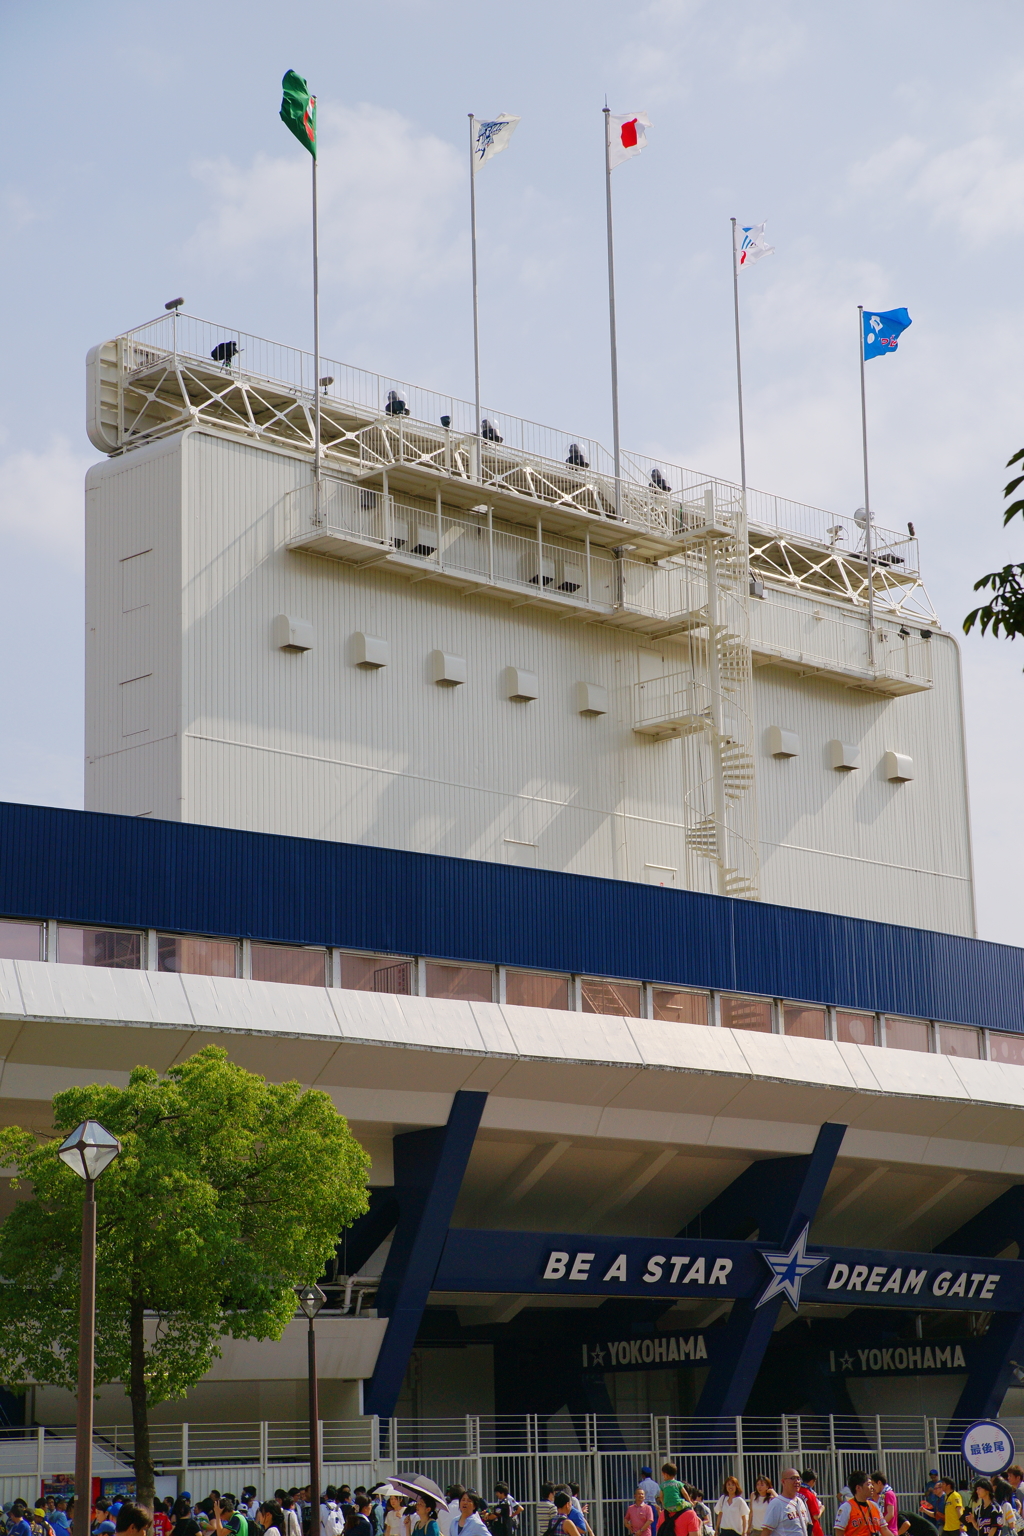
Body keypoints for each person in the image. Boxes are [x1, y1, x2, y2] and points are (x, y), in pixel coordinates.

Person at [761, 1470, 809, 1536]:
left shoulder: (800, 1502)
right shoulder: (776, 1504)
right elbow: (766, 1532)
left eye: (798, 1479)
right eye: (792, 1478)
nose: (797, 1481)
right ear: (783, 1481)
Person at [659, 1466, 691, 1536]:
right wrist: (690, 1502)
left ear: (666, 1474)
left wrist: (664, 1504)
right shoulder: (678, 1483)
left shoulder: (662, 1485)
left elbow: (661, 1496)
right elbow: (685, 1493)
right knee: (689, 1506)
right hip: (679, 1505)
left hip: (668, 1507)